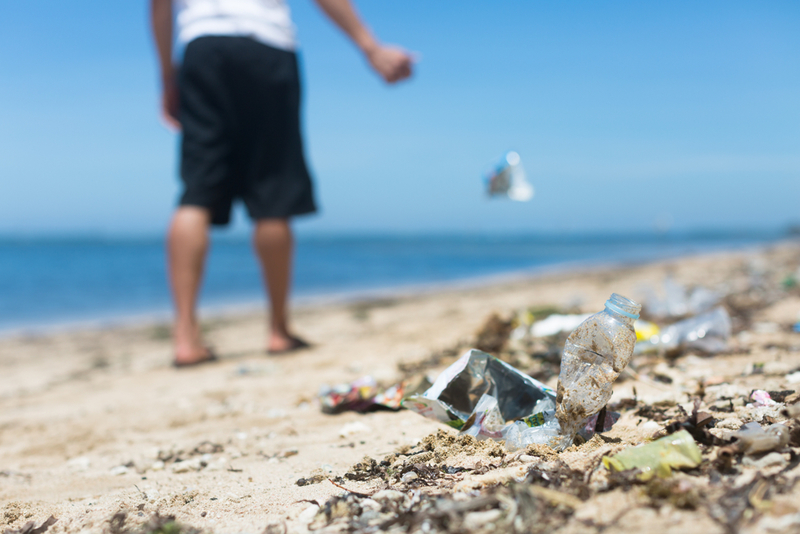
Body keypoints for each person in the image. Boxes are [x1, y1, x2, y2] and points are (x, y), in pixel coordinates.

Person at [151, 0, 413, 366]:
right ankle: (278, 330)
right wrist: (370, 47)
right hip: (268, 46)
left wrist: (167, 75)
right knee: (273, 189)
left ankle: (185, 337)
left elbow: (160, 6)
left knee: (196, 193)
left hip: (203, 46)